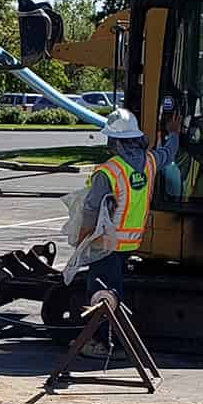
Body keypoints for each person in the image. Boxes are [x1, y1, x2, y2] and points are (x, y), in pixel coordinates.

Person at [72, 108, 151, 304]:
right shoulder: (150, 162)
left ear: (114, 141)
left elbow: (91, 210)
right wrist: (173, 134)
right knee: (114, 290)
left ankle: (101, 334)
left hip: (106, 243)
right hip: (131, 242)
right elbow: (167, 153)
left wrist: (81, 241)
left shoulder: (109, 171)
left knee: (101, 295)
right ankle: (110, 331)